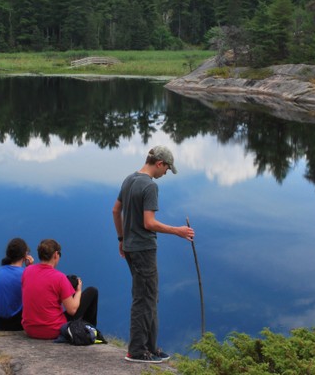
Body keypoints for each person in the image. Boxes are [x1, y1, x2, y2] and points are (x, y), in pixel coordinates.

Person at [112, 145, 195, 364]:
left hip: (131, 247)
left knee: (149, 296)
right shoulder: (149, 186)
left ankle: (150, 347)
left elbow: (115, 210)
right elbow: (149, 223)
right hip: (143, 249)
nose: (166, 173)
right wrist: (177, 231)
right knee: (144, 298)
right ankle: (137, 351)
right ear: (159, 163)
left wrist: (121, 239)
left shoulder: (129, 179)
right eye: (167, 168)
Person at [21, 238, 99, 340]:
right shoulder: (59, 277)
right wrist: (78, 291)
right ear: (56, 255)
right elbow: (72, 310)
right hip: (52, 330)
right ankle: (90, 332)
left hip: (30, 329)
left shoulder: (27, 271)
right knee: (92, 291)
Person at [0, 237, 34, 331]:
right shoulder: (25, 273)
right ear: (25, 255)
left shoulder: (0, 270)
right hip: (14, 323)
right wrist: (30, 267)